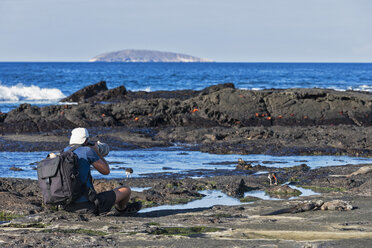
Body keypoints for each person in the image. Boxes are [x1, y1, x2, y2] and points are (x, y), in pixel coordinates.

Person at [63, 127, 141, 215]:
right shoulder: (87, 151)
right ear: (86, 141)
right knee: (126, 189)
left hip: (67, 206)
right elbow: (106, 171)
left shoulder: (63, 152)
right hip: (88, 207)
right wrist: (97, 152)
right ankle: (122, 209)